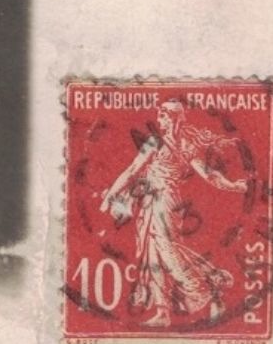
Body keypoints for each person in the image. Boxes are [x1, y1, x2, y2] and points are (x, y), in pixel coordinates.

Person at [99, 99, 248, 327]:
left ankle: (207, 289)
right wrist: (111, 194)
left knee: (168, 252)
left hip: (165, 201)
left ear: (172, 118)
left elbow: (209, 175)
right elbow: (132, 170)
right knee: (152, 254)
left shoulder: (181, 145)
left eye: (163, 117)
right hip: (150, 202)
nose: (159, 120)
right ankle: (163, 312)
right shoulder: (161, 143)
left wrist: (233, 186)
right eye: (160, 117)